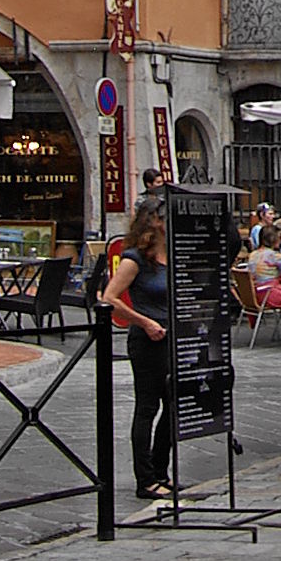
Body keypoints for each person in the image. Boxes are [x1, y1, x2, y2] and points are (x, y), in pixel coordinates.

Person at [100, 196, 174, 514]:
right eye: (167, 216)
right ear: (155, 221)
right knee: (148, 406)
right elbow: (109, 298)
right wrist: (144, 322)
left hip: (174, 338)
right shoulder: (134, 259)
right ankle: (144, 479)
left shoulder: (172, 254)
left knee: (173, 406)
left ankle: (161, 471)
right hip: (147, 340)